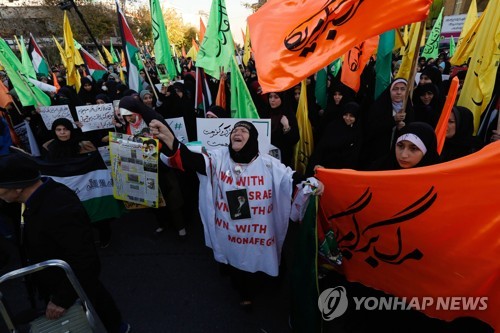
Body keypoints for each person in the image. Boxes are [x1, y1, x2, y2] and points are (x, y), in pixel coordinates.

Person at [148, 119, 324, 308]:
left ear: (253, 138)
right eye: (234, 130)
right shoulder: (219, 157)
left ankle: (266, 285)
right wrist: (171, 141)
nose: (237, 133)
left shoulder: (269, 164)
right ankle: (243, 293)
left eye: (243, 130)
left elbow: (291, 178)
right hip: (231, 231)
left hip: (260, 231)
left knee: (263, 259)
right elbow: (195, 161)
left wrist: (310, 183)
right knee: (236, 263)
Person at [0, 153, 130, 333]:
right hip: (59, 286)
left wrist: (62, 299)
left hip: (77, 294)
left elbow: (85, 260)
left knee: (104, 325)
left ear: (17, 189)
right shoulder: (32, 197)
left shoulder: (59, 207)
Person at [361, 78, 414, 169]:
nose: (398, 92)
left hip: (399, 158)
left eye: (402, 89)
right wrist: (393, 120)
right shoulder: (378, 107)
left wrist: (404, 129)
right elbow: (371, 129)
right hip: (378, 154)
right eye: (395, 89)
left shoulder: (409, 108)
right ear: (390, 90)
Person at [307, 102, 363, 174]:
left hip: (341, 172)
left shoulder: (358, 133)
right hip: (323, 166)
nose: (347, 118)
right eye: (345, 115)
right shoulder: (333, 126)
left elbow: (353, 157)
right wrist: (316, 164)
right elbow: (321, 147)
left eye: (351, 116)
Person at [370, 122, 440, 170]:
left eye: (413, 148)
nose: (403, 155)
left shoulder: (439, 178)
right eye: (400, 146)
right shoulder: (377, 170)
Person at [266, 92, 300, 167]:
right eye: (270, 97)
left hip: (283, 158)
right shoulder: (266, 113)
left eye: (276, 97)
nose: (272, 100)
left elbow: (295, 138)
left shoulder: (288, 114)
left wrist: (286, 126)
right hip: (266, 156)